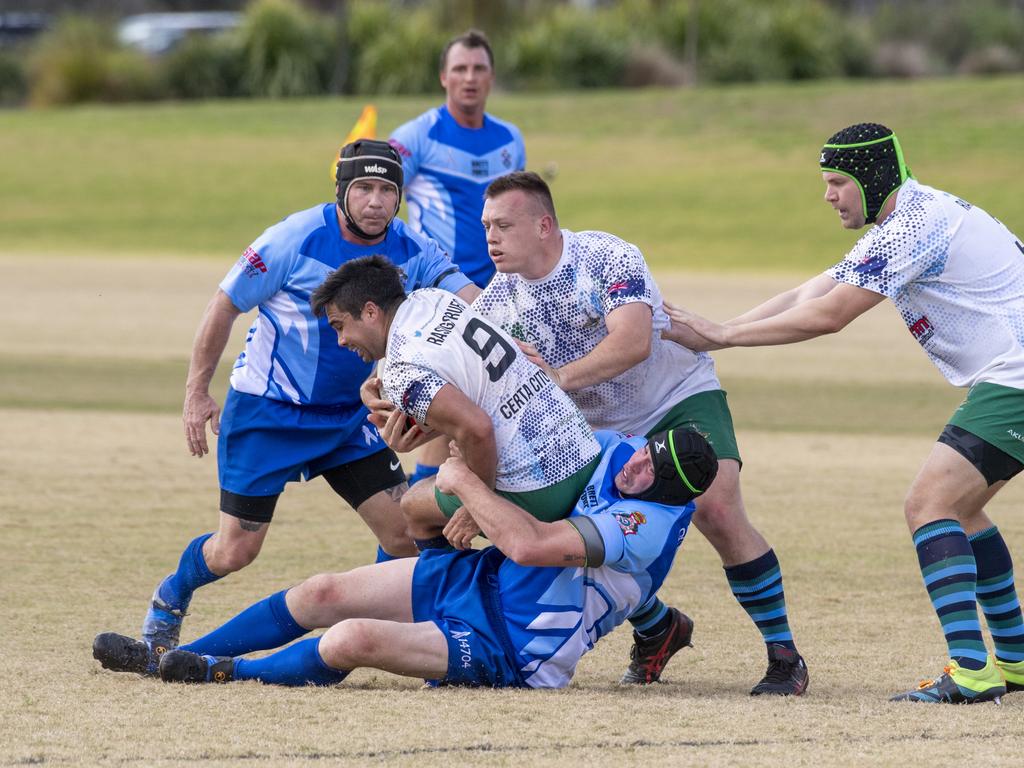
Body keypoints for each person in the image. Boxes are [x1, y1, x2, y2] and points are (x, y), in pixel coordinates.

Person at [666, 122, 1024, 704]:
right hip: (1012, 374)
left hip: (1018, 377)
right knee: (964, 511)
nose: (828, 195)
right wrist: (716, 332)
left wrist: (727, 335)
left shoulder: (914, 226)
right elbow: (816, 289)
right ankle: (1013, 659)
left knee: (929, 505)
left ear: (872, 177)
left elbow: (830, 316)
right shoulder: (907, 218)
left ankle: (973, 671)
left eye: (837, 181)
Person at [93, 140, 478, 675]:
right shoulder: (291, 240)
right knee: (235, 552)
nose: (375, 202)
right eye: (363, 188)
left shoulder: (415, 246)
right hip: (269, 412)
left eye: (387, 190)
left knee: (404, 531)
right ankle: (169, 597)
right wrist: (196, 393)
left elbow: (470, 302)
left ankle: (376, 631)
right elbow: (223, 306)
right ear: (341, 191)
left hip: (348, 419)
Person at [471, 171, 809, 694]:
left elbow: (633, 342)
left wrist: (555, 377)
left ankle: (784, 655)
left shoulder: (606, 257)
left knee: (716, 508)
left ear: (543, 225)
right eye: (487, 226)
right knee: (592, 535)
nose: (491, 237)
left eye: (504, 225)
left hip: (675, 398)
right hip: (598, 428)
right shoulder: (496, 304)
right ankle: (658, 626)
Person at [139, 428, 718, 690]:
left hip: (515, 646)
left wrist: (466, 483)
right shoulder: (620, 447)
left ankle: (220, 674)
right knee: (322, 593)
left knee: (351, 640)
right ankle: (168, 657)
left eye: (649, 472)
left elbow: (529, 546)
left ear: (669, 493)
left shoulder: (647, 527)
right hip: (478, 577)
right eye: (645, 451)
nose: (633, 466)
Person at [310, 254, 601, 552]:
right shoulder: (433, 299)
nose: (341, 340)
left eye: (339, 326)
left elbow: (477, 428)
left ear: (370, 312)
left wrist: (478, 504)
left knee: (411, 507)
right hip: (583, 450)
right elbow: (471, 387)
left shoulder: (402, 371)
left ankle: (452, 595)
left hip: (542, 486)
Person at [388, 29, 526, 489]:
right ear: (443, 77)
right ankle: (426, 527)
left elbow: (519, 214)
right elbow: (379, 204)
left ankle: (434, 523)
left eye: (479, 69)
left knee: (477, 408)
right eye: (460, 69)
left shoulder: (509, 140)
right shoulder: (415, 137)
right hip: (437, 296)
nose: (469, 77)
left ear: (490, 77)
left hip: (499, 295)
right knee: (448, 410)